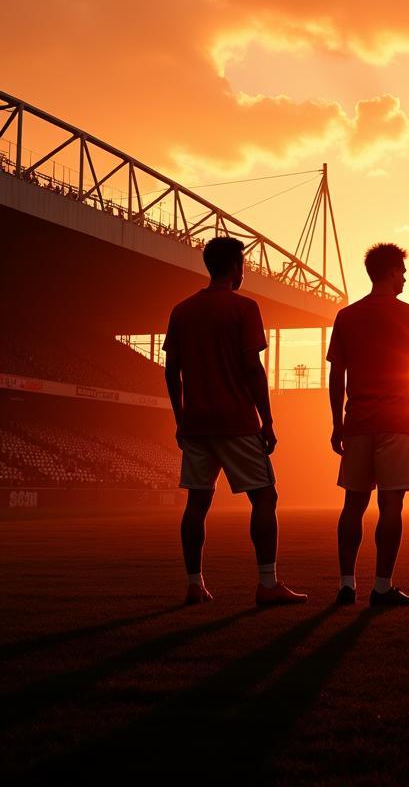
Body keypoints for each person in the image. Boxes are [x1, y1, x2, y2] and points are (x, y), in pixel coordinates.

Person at [163, 236, 306, 607]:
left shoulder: (182, 310)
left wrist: (180, 418)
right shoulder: (244, 308)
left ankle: (194, 584)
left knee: (197, 503)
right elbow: (251, 367)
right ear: (235, 266)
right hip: (237, 420)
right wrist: (268, 420)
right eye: (243, 264)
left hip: (197, 423)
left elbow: (171, 370)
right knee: (264, 496)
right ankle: (267, 583)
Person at [328, 243, 409, 607]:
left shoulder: (347, 316)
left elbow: (336, 374)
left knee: (352, 504)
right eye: (402, 272)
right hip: (397, 420)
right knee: (392, 505)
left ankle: (346, 584)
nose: (404, 278)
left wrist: (336, 422)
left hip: (357, 420)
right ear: (390, 272)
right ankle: (383, 586)